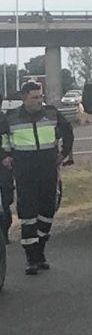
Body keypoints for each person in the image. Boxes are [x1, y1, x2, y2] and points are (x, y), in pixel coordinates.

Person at [0, 81, 73, 275]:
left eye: (41, 96)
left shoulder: (51, 113)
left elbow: (68, 131)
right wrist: (4, 156)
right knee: (28, 215)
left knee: (47, 213)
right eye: (35, 97)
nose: (39, 101)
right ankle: (31, 259)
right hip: (25, 172)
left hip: (48, 170)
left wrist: (64, 153)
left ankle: (40, 252)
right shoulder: (11, 117)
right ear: (24, 98)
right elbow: (2, 138)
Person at [0, 93, 14, 244]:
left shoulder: (5, 120)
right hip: (5, 167)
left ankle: (4, 234)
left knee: (5, 202)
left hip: (4, 168)